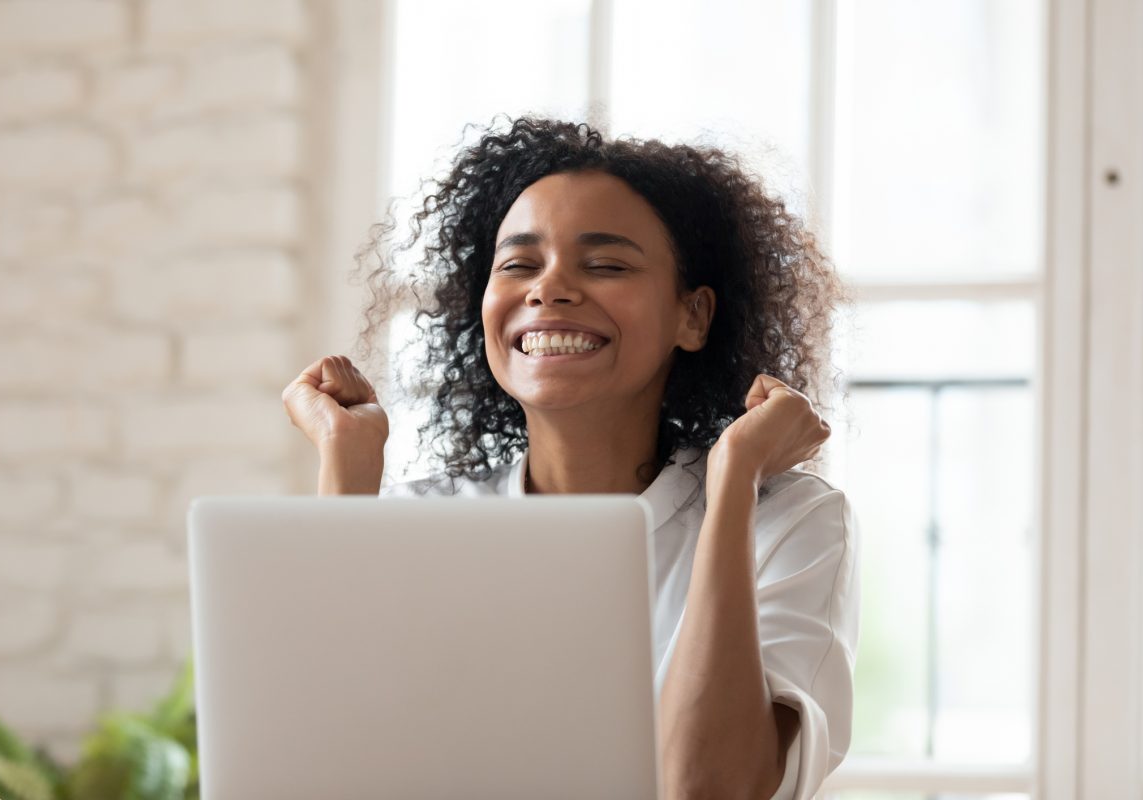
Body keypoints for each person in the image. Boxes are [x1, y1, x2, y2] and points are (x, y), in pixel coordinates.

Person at [282, 116, 859, 800]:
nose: (547, 289)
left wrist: (733, 481)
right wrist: (347, 481)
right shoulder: (420, 521)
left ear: (694, 317)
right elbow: (319, 770)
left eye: (606, 264)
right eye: (519, 264)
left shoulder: (790, 522)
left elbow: (709, 790)